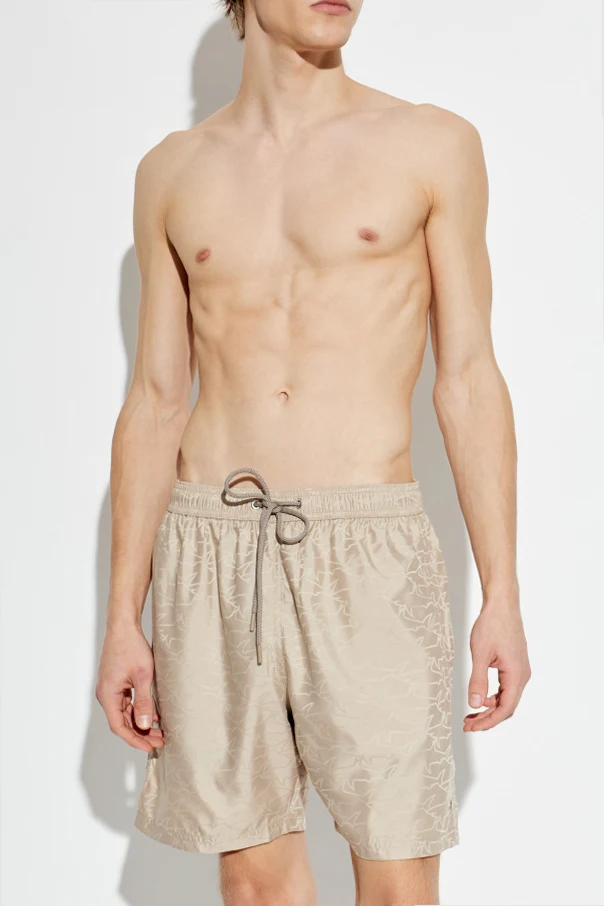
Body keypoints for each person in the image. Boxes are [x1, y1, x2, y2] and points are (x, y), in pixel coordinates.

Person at [96, 0, 531, 903]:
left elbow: (469, 378)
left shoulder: (431, 145)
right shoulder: (172, 171)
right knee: (256, 885)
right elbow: (156, 399)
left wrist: (503, 592)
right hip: (213, 544)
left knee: (399, 878)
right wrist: (122, 618)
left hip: (370, 547)